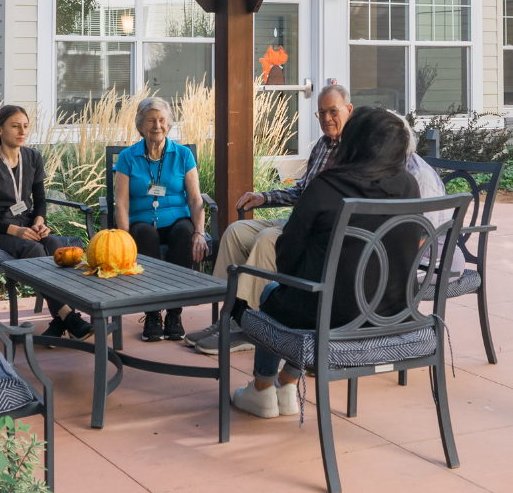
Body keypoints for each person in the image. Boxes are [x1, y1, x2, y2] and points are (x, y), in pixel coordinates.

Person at [192, 81, 452, 354]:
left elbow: (290, 256)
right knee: (237, 231)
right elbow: (305, 193)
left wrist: (296, 272)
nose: (327, 119)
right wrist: (266, 197)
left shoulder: (335, 184)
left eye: (333, 112)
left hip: (327, 300)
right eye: (321, 113)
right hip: (390, 306)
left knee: (271, 267)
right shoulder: (405, 184)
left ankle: (257, 356)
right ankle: (228, 313)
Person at [230, 107, 425, 419]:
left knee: (273, 294)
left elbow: (287, 257)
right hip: (392, 316)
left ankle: (262, 390)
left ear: (353, 143)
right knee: (315, 299)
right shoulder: (409, 186)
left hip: (331, 320)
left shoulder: (326, 187)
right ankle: (287, 383)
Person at [0, 103, 89, 343]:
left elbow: (40, 201)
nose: (22, 131)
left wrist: (39, 222)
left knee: (54, 244)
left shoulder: (33, 157)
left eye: (25, 126)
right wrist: (16, 230)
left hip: (26, 224)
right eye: (15, 126)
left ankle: (60, 320)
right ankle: (69, 316)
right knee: (34, 249)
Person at [114, 96, 209, 342]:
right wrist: (123, 239)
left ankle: (174, 314)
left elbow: (196, 199)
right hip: (141, 221)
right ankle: (153, 313)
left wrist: (200, 231)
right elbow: (121, 202)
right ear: (140, 125)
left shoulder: (183, 155)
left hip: (177, 218)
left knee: (184, 232)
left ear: (169, 124)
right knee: (144, 234)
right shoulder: (127, 157)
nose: (157, 125)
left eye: (162, 120)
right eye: (150, 120)